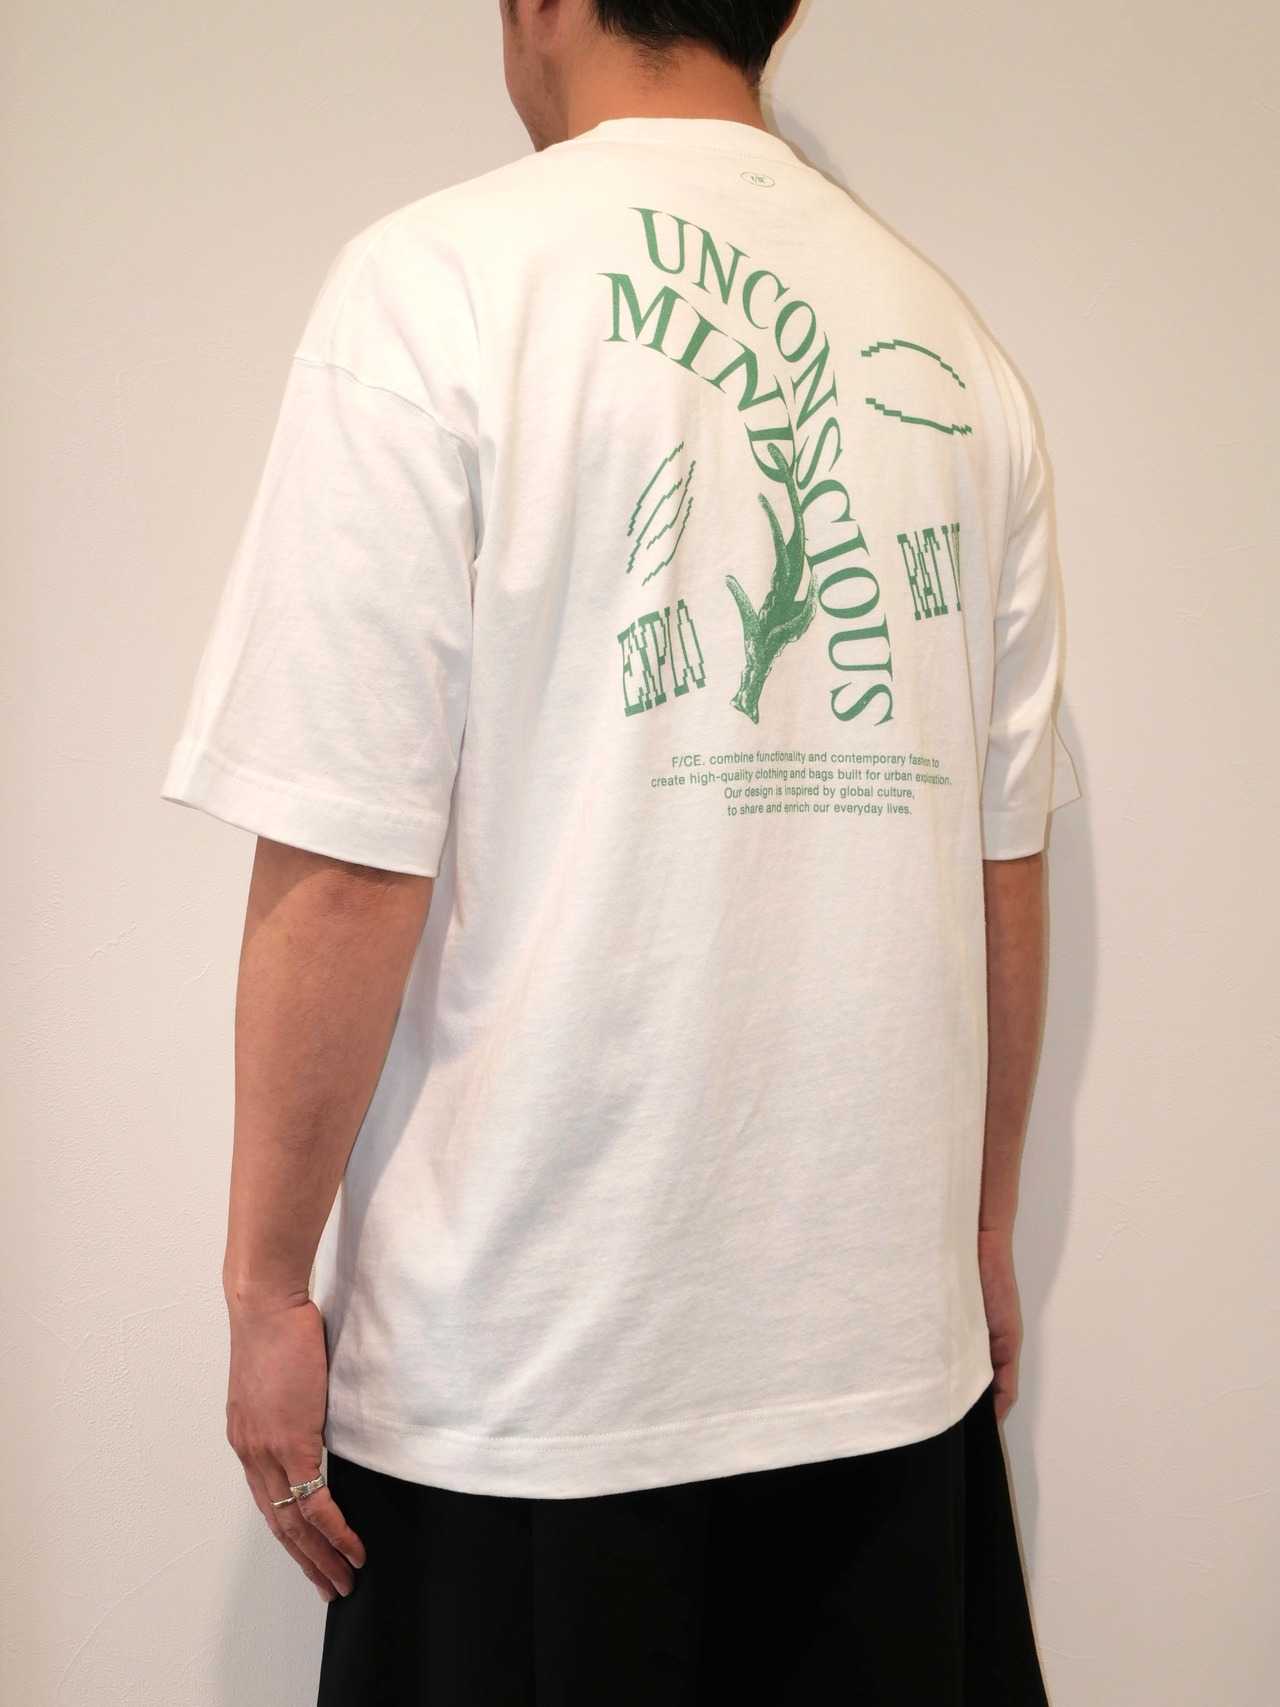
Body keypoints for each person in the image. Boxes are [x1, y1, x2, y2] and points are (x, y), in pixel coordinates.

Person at [161, 0, 1081, 1699]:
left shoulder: (437, 291)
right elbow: (999, 857)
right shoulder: (952, 344)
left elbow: (351, 858)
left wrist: (265, 1291)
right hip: (881, 1376)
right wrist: (975, 1227)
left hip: (536, 1391)